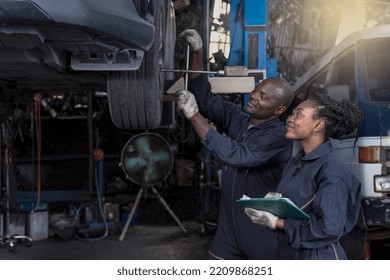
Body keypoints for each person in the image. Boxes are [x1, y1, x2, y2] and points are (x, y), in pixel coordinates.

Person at [175, 29, 295, 259]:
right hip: (229, 228)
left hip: (260, 231)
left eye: (264, 97)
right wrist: (198, 51)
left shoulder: (278, 137)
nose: (254, 96)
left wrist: (193, 115)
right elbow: (205, 99)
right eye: (257, 90)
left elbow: (236, 155)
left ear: (279, 110)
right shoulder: (240, 120)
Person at [245, 91, 363, 259]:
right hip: (291, 254)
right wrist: (275, 206)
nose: (290, 119)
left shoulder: (332, 172)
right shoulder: (297, 162)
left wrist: (276, 222)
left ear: (318, 125)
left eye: (298, 114)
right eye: (293, 113)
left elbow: (328, 229)